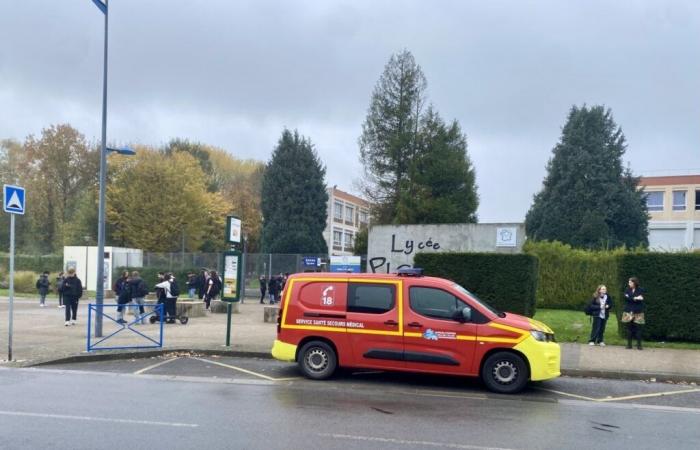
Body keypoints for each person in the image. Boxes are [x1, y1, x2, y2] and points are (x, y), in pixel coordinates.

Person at [623, 277, 645, 350]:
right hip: (628, 311)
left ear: (634, 283)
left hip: (638, 312)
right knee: (629, 328)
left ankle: (639, 345)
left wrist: (631, 297)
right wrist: (635, 298)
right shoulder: (627, 289)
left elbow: (641, 298)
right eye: (629, 282)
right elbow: (626, 298)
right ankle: (629, 345)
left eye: (630, 282)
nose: (629, 283)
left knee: (638, 329)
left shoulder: (641, 289)